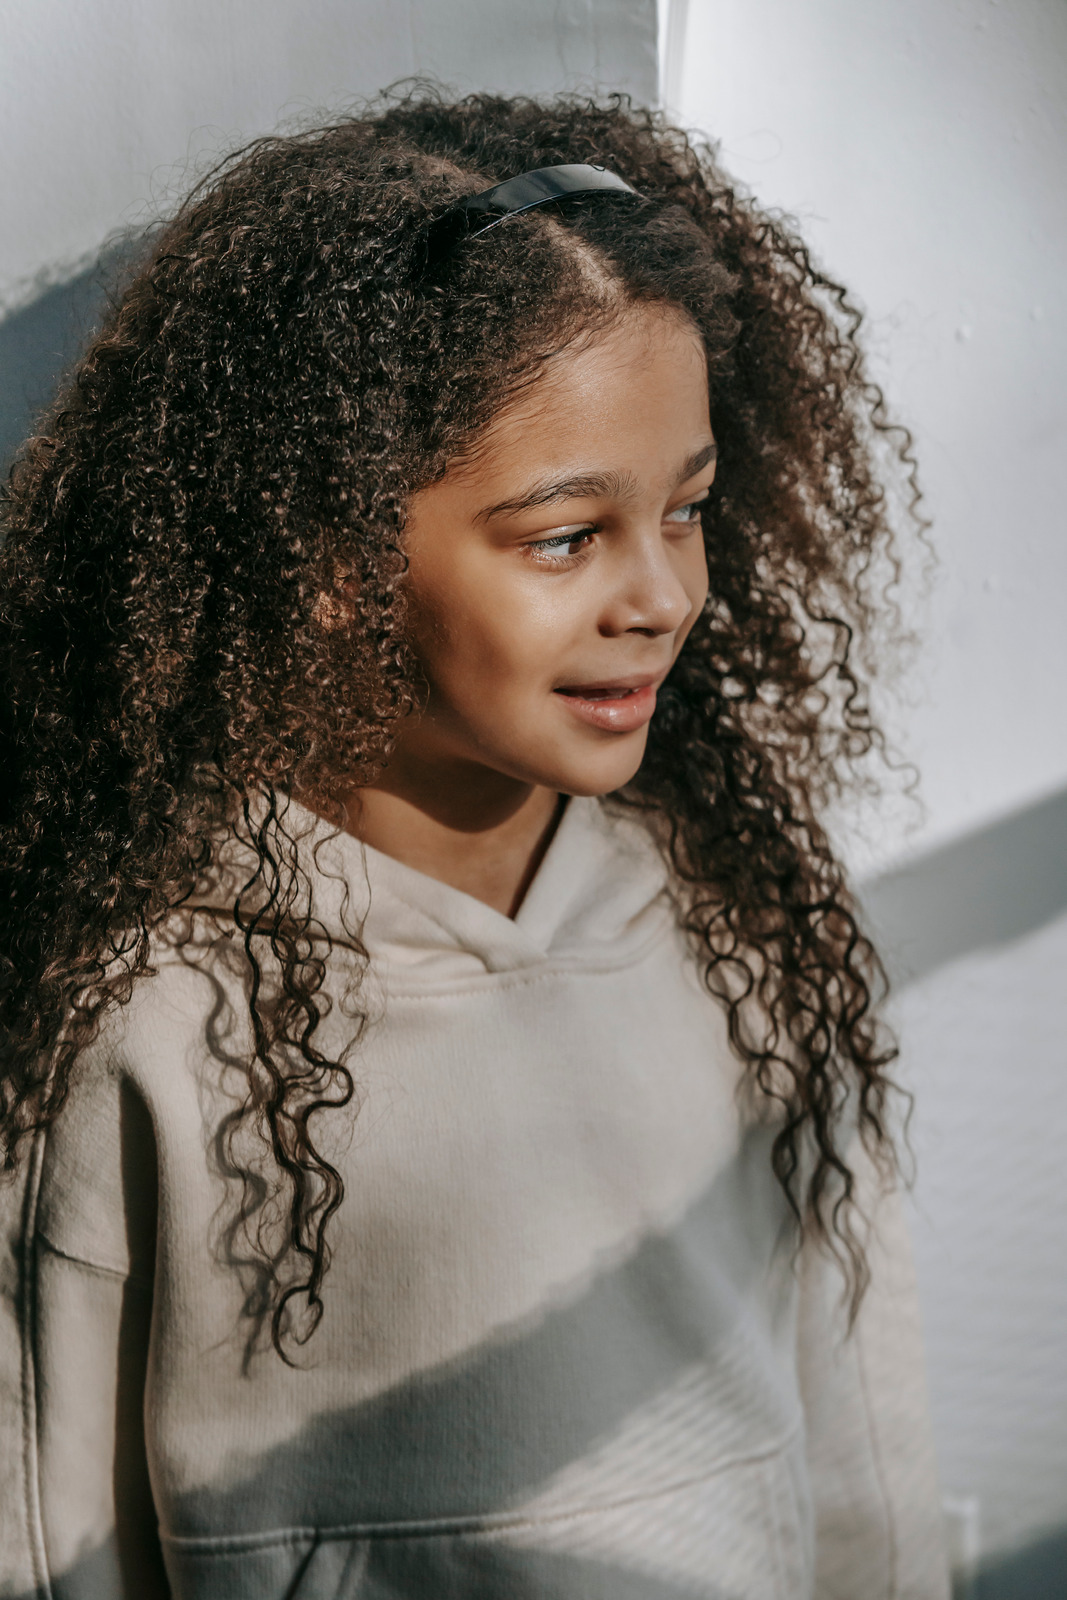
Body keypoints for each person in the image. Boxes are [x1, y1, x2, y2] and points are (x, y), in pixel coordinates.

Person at [0, 90, 949, 1599]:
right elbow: (53, 1535)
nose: (660, 596)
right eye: (566, 536)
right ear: (327, 556)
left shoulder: (749, 917)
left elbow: (864, 1445)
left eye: (689, 510)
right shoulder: (146, 1011)